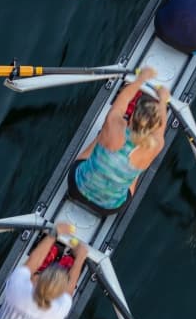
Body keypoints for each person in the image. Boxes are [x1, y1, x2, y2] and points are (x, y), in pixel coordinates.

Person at [68, 67, 170, 216]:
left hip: (76, 189)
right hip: (109, 209)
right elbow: (161, 126)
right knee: (138, 168)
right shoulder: (157, 145)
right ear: (154, 126)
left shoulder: (114, 123)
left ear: (133, 113)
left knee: (102, 135)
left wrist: (141, 79)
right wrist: (163, 100)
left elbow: (124, 97)